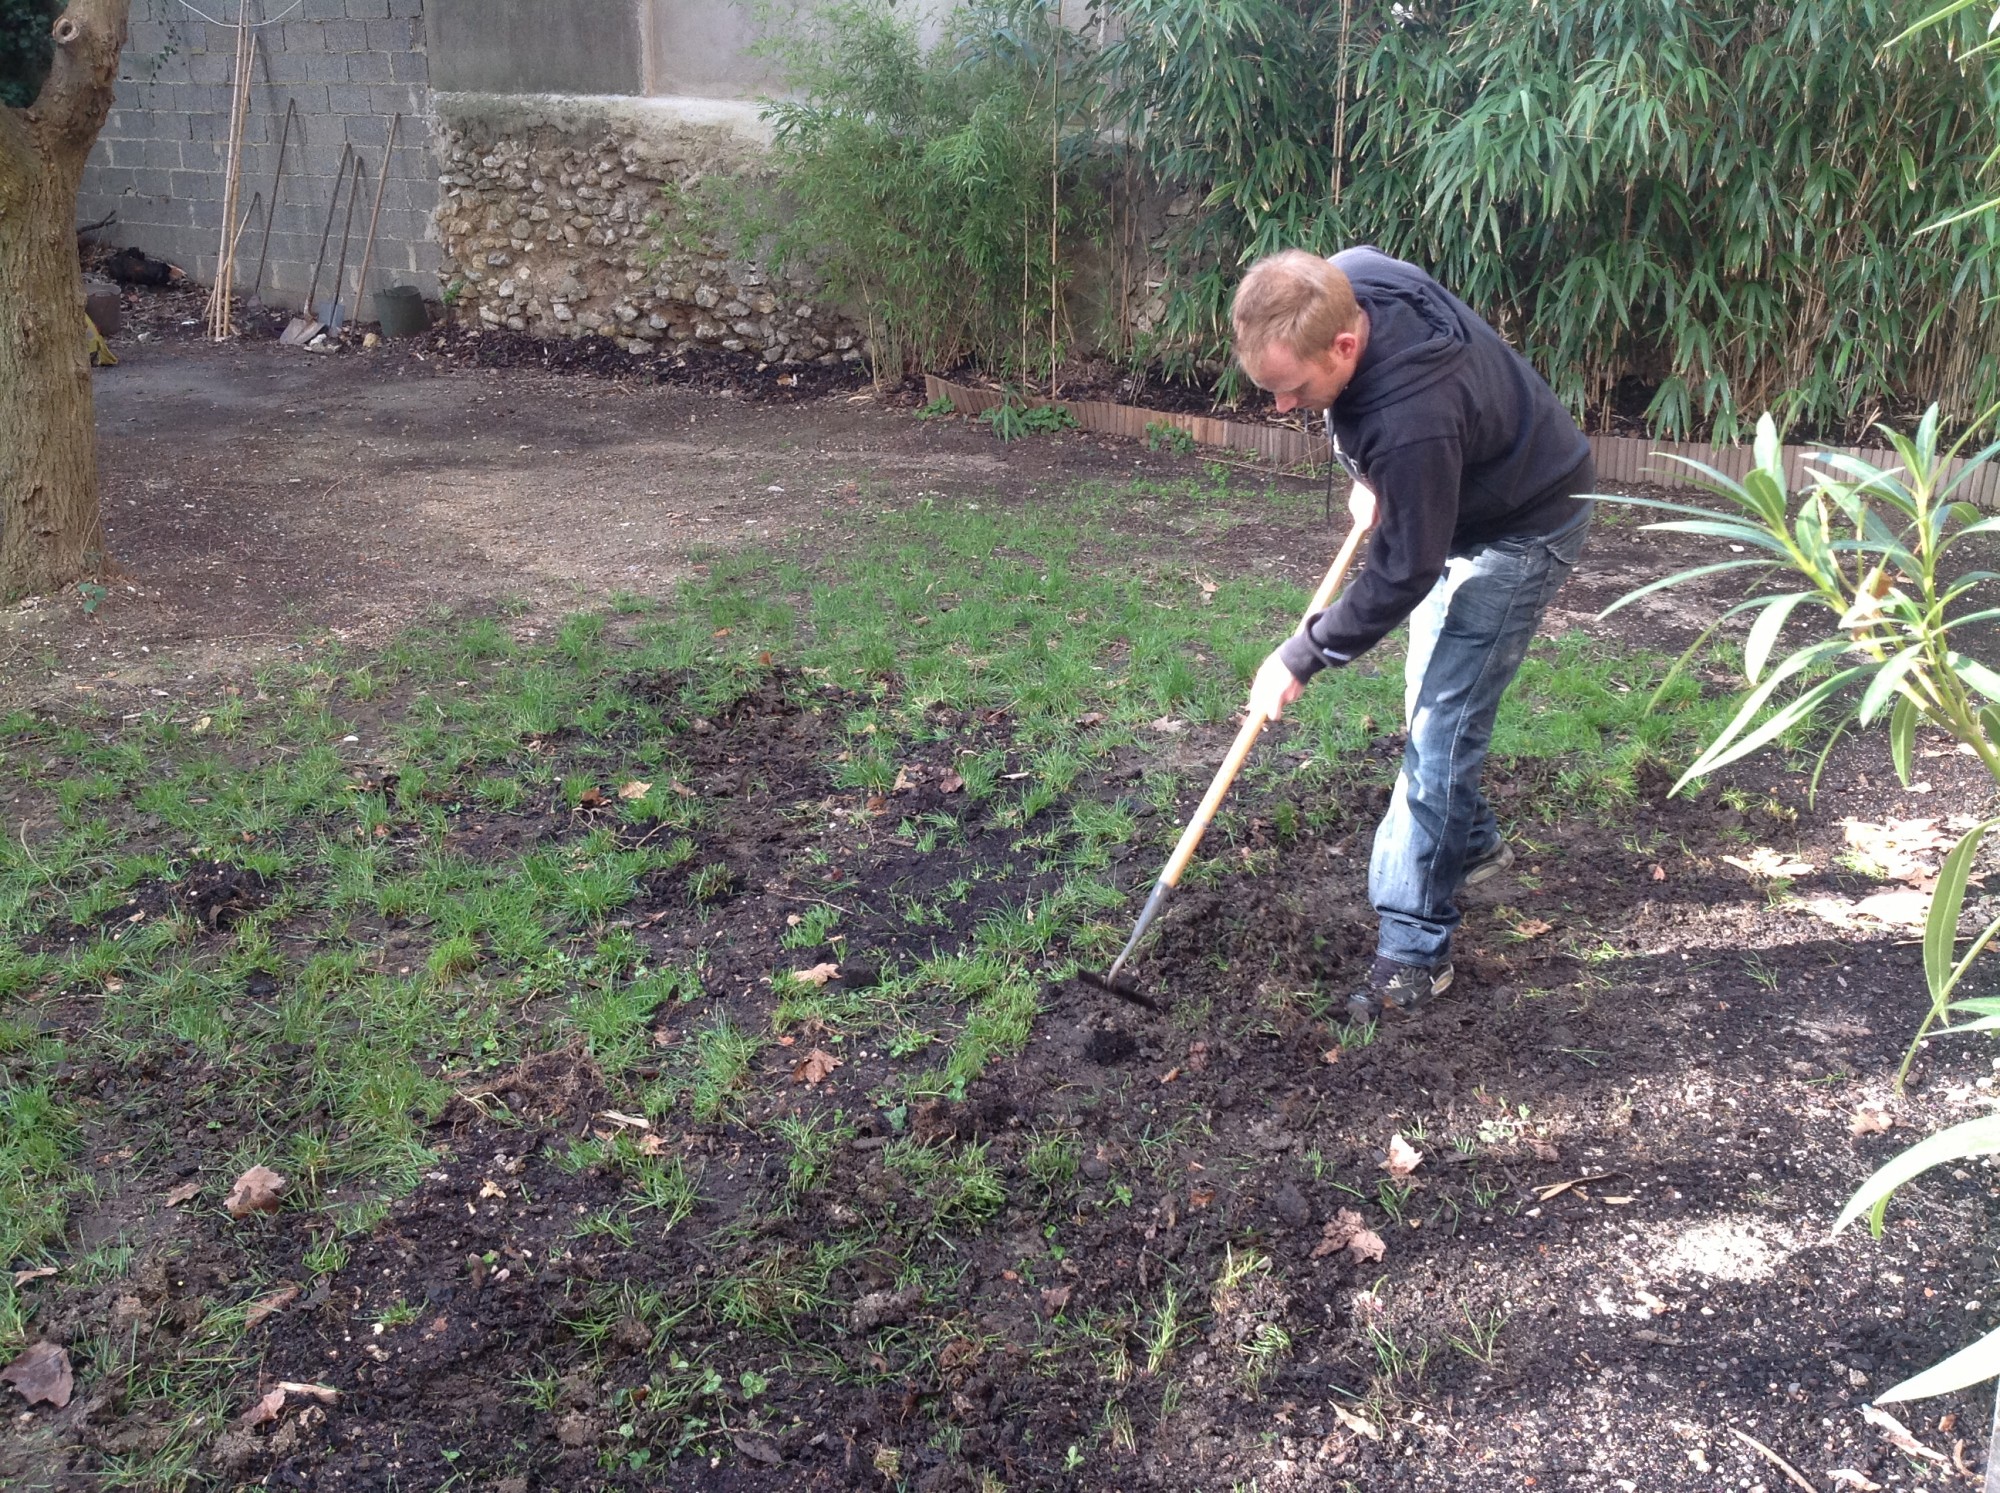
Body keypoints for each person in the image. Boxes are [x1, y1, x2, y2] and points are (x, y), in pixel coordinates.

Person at [1235, 247, 1596, 1024]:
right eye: (1270, 389)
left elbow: (1402, 572)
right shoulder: (1352, 275)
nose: (1284, 406)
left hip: (1523, 525)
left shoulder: (1413, 422)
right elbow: (1390, 455)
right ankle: (1469, 842)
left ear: (1345, 344)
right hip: (1461, 492)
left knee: (1440, 726)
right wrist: (1377, 479)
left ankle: (1414, 949)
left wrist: (1302, 653)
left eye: (1293, 389)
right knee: (1428, 707)